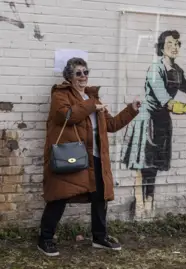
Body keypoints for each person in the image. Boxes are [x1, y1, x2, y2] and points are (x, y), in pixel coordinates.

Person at [38, 57, 141, 257]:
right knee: (60, 196)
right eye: (78, 73)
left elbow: (110, 126)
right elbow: (66, 116)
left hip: (96, 157)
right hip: (72, 156)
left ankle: (99, 237)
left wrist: (131, 110)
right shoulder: (61, 94)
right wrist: (93, 105)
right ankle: (45, 239)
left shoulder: (93, 98)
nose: (83, 77)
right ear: (69, 76)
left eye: (86, 72)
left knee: (100, 197)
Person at [121, 29, 186, 206]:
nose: (174, 47)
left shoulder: (177, 70)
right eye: (169, 44)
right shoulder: (155, 69)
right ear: (161, 48)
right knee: (144, 166)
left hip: (162, 121)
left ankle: (148, 204)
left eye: (176, 43)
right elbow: (165, 100)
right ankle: (139, 204)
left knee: (155, 166)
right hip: (148, 121)